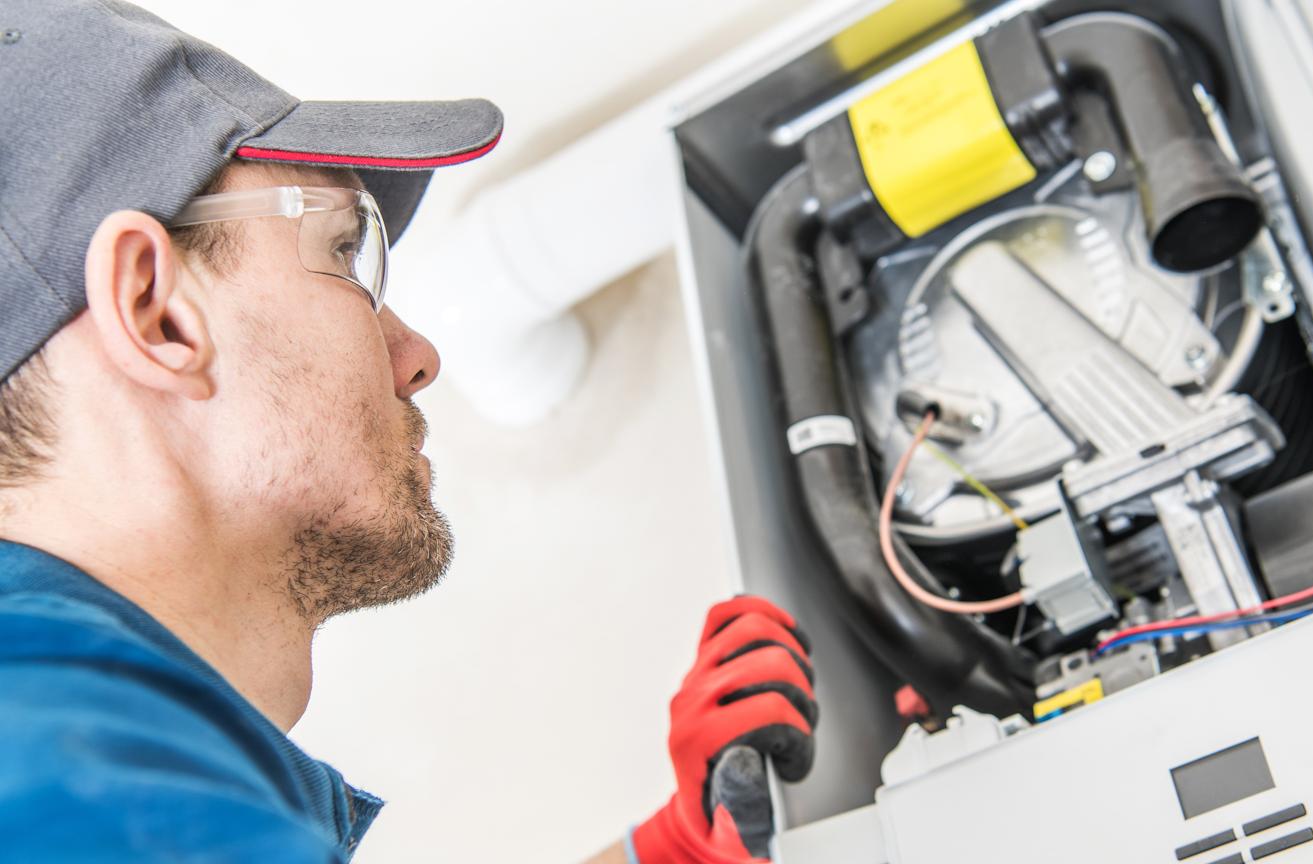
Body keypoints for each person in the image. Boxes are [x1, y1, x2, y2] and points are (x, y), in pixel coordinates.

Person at [0, 2, 818, 862]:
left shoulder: (80, 769)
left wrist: (669, 851)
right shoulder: (79, 791)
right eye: (345, 248)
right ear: (156, 312)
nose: (418, 356)